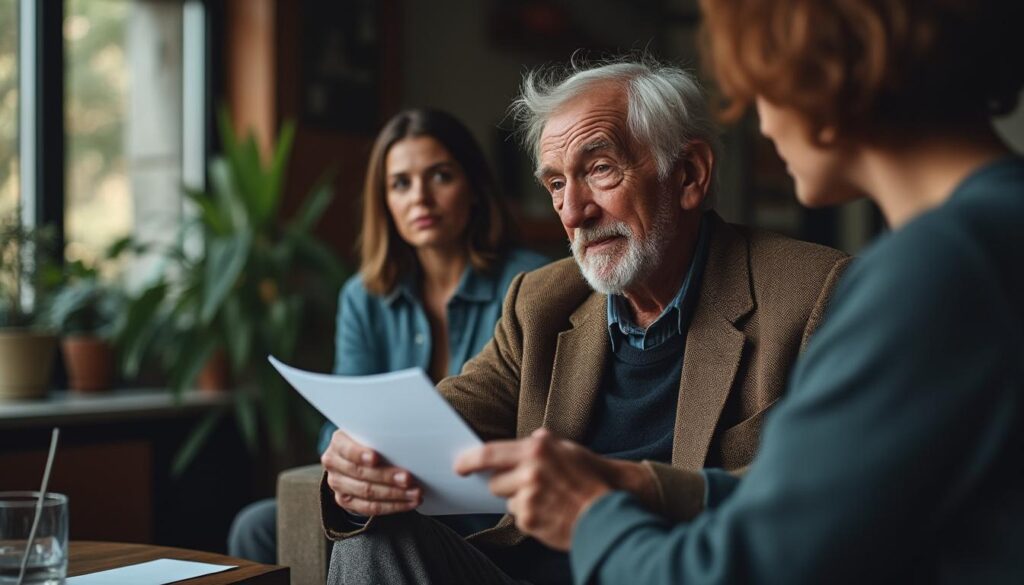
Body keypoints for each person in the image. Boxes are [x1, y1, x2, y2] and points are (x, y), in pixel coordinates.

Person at [455, 2, 1024, 584]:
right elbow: (821, 505)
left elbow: (749, 563)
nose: (763, 125)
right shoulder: (987, 233)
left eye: (761, 91)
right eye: (555, 184)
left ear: (828, 77)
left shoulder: (931, 271)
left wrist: (590, 514)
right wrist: (640, 483)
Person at [321, 60, 850, 584]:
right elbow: (441, 422)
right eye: (556, 183)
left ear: (689, 174)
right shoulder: (539, 302)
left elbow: (832, 496)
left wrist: (627, 486)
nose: (573, 213)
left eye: (599, 169)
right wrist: (364, 461)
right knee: (375, 539)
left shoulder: (814, 294)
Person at [227, 108, 548, 562]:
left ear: (475, 188)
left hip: (489, 510)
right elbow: (339, 421)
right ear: (385, 201)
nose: (421, 198)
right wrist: (350, 458)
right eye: (400, 183)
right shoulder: (363, 297)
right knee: (257, 527)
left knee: (378, 536)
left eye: (440, 176)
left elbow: (544, 422)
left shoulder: (531, 284)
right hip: (397, 491)